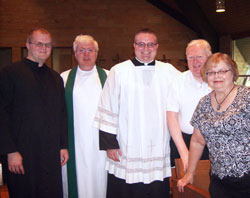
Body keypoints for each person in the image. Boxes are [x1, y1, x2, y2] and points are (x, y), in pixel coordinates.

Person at [94, 28, 180, 198]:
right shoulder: (119, 71)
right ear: (134, 46)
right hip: (127, 144)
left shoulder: (169, 71)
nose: (146, 49)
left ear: (157, 46)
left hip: (158, 143)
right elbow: (107, 106)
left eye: (150, 44)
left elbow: (187, 89)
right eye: (141, 44)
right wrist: (109, 143)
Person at [0, 28, 69, 198]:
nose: (44, 48)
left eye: (48, 45)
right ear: (28, 44)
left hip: (50, 152)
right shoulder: (9, 74)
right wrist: (10, 151)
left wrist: (63, 145)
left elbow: (61, 114)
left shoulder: (55, 78)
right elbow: (1, 114)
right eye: (39, 43)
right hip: (22, 153)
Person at [177, 53, 250, 198]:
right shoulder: (203, 103)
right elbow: (197, 140)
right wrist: (190, 173)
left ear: (233, 73)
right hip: (219, 180)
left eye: (223, 71)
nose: (217, 76)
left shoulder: (247, 97)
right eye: (211, 72)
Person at [61, 35, 108, 198]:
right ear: (75, 53)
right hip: (75, 143)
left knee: (101, 181)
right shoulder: (64, 79)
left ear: (96, 53)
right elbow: (58, 115)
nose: (86, 55)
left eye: (90, 50)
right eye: (82, 50)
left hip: (101, 144)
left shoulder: (109, 78)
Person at [167, 39, 212, 171]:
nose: (195, 62)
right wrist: (183, 152)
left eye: (199, 57)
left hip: (213, 144)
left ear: (209, 57)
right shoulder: (178, 81)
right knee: (185, 188)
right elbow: (171, 117)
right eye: (191, 57)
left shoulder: (218, 80)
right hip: (185, 142)